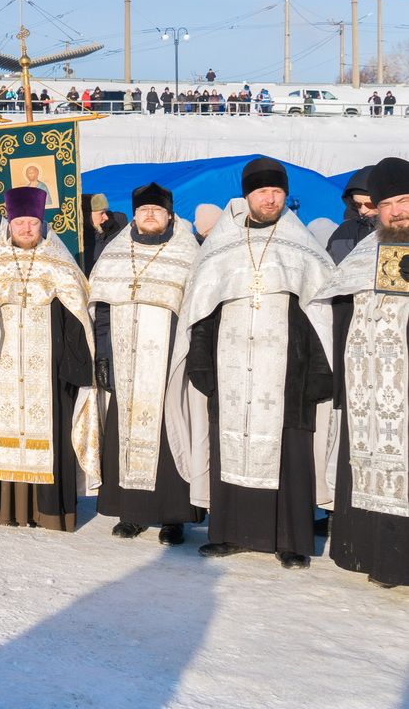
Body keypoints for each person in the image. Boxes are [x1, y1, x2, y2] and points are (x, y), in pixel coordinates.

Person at [166, 157, 334, 569]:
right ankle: (230, 534)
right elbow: (201, 313)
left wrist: (317, 372)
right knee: (229, 448)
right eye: (262, 193)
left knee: (289, 457)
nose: (270, 199)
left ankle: (291, 541)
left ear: (284, 197)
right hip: (230, 371)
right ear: (247, 197)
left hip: (287, 375)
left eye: (276, 192)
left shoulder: (303, 248)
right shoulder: (221, 247)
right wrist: (201, 366)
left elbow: (321, 317)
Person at [0, 186, 100, 532]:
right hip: (0, 367)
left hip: (48, 370)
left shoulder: (59, 262)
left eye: (32, 222)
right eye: (20, 223)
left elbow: (77, 318)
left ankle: (49, 513)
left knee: (50, 436)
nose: (26, 229)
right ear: (9, 224)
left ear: (42, 223)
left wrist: (72, 368)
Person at [88, 183, 203, 545]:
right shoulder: (115, 254)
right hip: (124, 360)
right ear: (135, 215)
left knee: (171, 437)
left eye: (157, 210)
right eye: (143, 211)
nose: (150, 215)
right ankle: (132, 513)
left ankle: (174, 518)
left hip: (169, 362)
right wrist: (104, 355)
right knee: (124, 434)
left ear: (170, 215)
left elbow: (198, 310)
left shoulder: (189, 253)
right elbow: (102, 310)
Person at [314, 156, 409, 588]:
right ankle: (375, 558)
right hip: (368, 390)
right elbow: (336, 309)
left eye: (406, 200)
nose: (398, 211)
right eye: (388, 203)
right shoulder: (363, 252)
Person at [327, 166, 377, 264]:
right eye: (357, 204)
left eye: (370, 204)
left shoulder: (400, 231)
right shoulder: (344, 231)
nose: (363, 210)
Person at [83, 193, 128, 274]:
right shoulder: (77, 242)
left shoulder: (114, 225)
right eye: (101, 213)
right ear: (86, 215)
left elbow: (121, 218)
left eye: (105, 212)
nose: (106, 217)